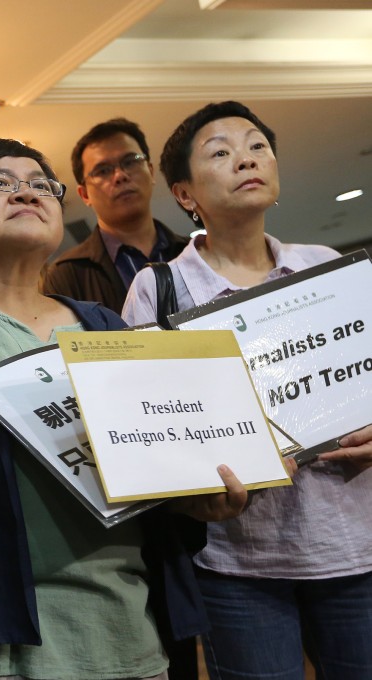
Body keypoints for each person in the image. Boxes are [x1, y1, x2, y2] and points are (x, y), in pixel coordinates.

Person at [0, 137, 258, 680]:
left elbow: (156, 462)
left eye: (40, 185)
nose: (26, 192)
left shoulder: (108, 328)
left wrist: (196, 499)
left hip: (131, 628)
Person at [123, 100, 372, 680]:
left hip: (352, 542)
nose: (246, 159)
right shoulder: (160, 288)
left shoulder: (326, 265)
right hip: (237, 559)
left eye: (257, 145)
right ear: (185, 195)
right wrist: (192, 486)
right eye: (221, 152)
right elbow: (150, 424)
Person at [41, 118, 189, 314]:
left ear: (151, 172)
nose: (120, 175)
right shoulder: (66, 274)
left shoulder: (195, 251)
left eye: (130, 161)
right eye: (103, 170)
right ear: (85, 194)